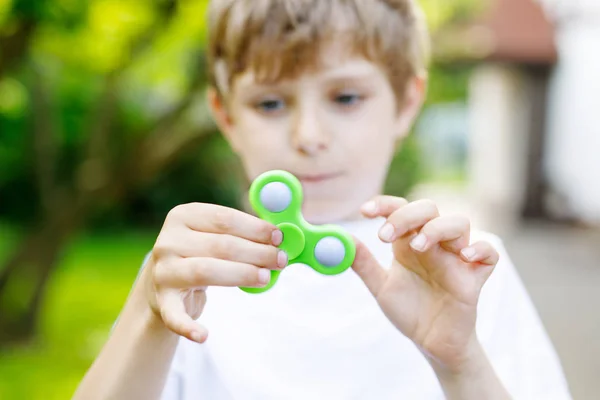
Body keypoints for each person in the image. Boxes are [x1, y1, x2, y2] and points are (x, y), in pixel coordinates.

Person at [73, 0, 572, 399]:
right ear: (226, 117)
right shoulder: (191, 276)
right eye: (270, 103)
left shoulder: (469, 270)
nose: (308, 136)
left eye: (346, 98)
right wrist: (148, 315)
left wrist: (460, 364)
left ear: (406, 103)